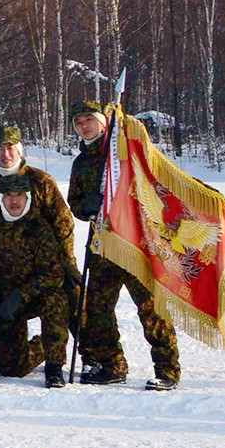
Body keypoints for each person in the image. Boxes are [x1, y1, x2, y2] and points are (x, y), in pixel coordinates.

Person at [67, 100, 183, 390]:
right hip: (102, 246)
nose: (84, 126)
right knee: (98, 308)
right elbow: (75, 204)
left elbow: (154, 182)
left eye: (88, 120)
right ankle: (112, 365)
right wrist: (86, 207)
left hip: (135, 244)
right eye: (78, 123)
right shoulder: (81, 163)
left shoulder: (126, 152)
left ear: (103, 122)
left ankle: (167, 370)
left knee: (151, 308)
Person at [0, 173, 76, 387]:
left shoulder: (40, 229)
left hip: (34, 297)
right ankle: (39, 347)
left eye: (20, 195)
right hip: (4, 304)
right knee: (12, 369)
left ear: (28, 198)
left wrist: (21, 295)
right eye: (8, 195)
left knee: (56, 300)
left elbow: (52, 274)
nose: (14, 201)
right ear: (0, 198)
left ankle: (54, 366)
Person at [0, 124, 72, 258]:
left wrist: (67, 260)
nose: (5, 154)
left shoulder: (40, 181)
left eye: (10, 148)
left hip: (39, 262)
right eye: (0, 149)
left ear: (19, 150)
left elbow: (62, 223)